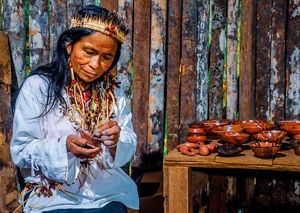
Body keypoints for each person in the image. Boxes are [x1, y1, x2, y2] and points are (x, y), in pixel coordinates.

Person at [10, 5, 138, 213]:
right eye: (89, 52)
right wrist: (65, 147)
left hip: (106, 193)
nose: (95, 65)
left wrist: (116, 141)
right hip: (52, 195)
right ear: (69, 46)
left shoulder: (113, 92)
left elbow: (129, 144)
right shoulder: (39, 87)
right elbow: (21, 150)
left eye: (107, 57)